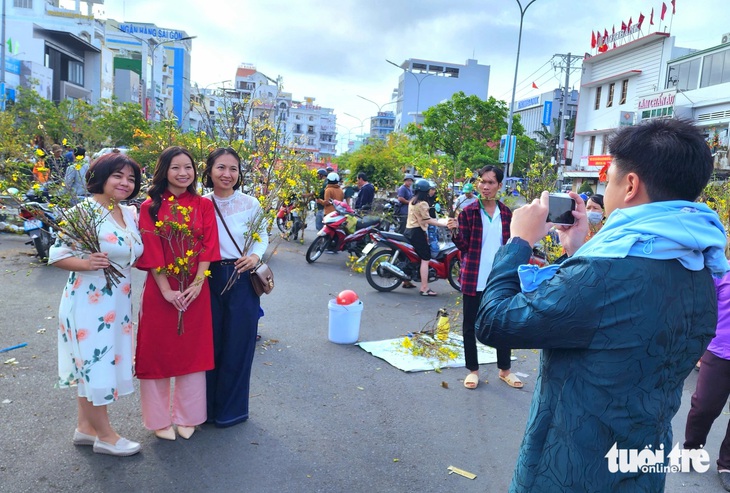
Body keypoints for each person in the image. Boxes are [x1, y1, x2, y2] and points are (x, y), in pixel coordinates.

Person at [475, 118, 728, 491]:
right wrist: (580, 251)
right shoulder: (702, 266)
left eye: (607, 180)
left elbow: (495, 322)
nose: (604, 189)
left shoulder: (603, 274)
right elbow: (617, 320)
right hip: (641, 464)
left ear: (630, 185)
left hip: (574, 470)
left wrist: (519, 243)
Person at [48, 152, 144, 456]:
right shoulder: (83, 212)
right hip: (89, 305)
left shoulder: (127, 213)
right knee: (95, 365)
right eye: (118, 175)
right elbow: (57, 255)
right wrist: (88, 263)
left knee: (93, 365)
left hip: (117, 304)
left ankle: (85, 428)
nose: (125, 182)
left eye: (130, 178)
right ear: (101, 177)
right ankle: (105, 435)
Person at [135, 146, 220, 441]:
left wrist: (197, 284)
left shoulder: (203, 205)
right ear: (164, 171)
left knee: (192, 353)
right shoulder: (150, 207)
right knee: (157, 352)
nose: (183, 173)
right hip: (161, 290)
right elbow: (152, 249)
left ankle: (189, 416)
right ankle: (158, 419)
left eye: (188, 167)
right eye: (176, 168)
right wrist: (167, 290)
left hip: (196, 288)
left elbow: (209, 245)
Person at [202, 148, 268, 428]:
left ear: (239, 174)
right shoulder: (200, 203)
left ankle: (232, 411)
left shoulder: (251, 203)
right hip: (207, 278)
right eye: (220, 168)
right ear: (209, 171)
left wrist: (254, 256)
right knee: (210, 345)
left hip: (242, 278)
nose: (227, 174)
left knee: (239, 345)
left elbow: (262, 235)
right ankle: (204, 410)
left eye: (233, 169)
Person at [446, 166, 520, 390]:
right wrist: (455, 230)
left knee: (502, 324)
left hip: (499, 279)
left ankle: (505, 369)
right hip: (474, 277)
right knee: (470, 325)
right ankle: (473, 370)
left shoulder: (506, 213)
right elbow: (464, 246)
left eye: (490, 182)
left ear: (499, 185)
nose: (485, 187)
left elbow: (511, 245)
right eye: (482, 182)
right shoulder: (468, 212)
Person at [684, 270, 730, 491]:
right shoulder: (723, 271)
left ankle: (727, 465)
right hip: (720, 350)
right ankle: (692, 449)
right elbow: (703, 308)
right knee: (704, 406)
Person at [404, 179, 445, 296]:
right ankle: (424, 288)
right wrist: (443, 223)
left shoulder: (412, 201)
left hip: (408, 230)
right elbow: (428, 220)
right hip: (417, 232)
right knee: (425, 258)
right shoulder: (423, 203)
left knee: (411, 255)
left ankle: (406, 280)